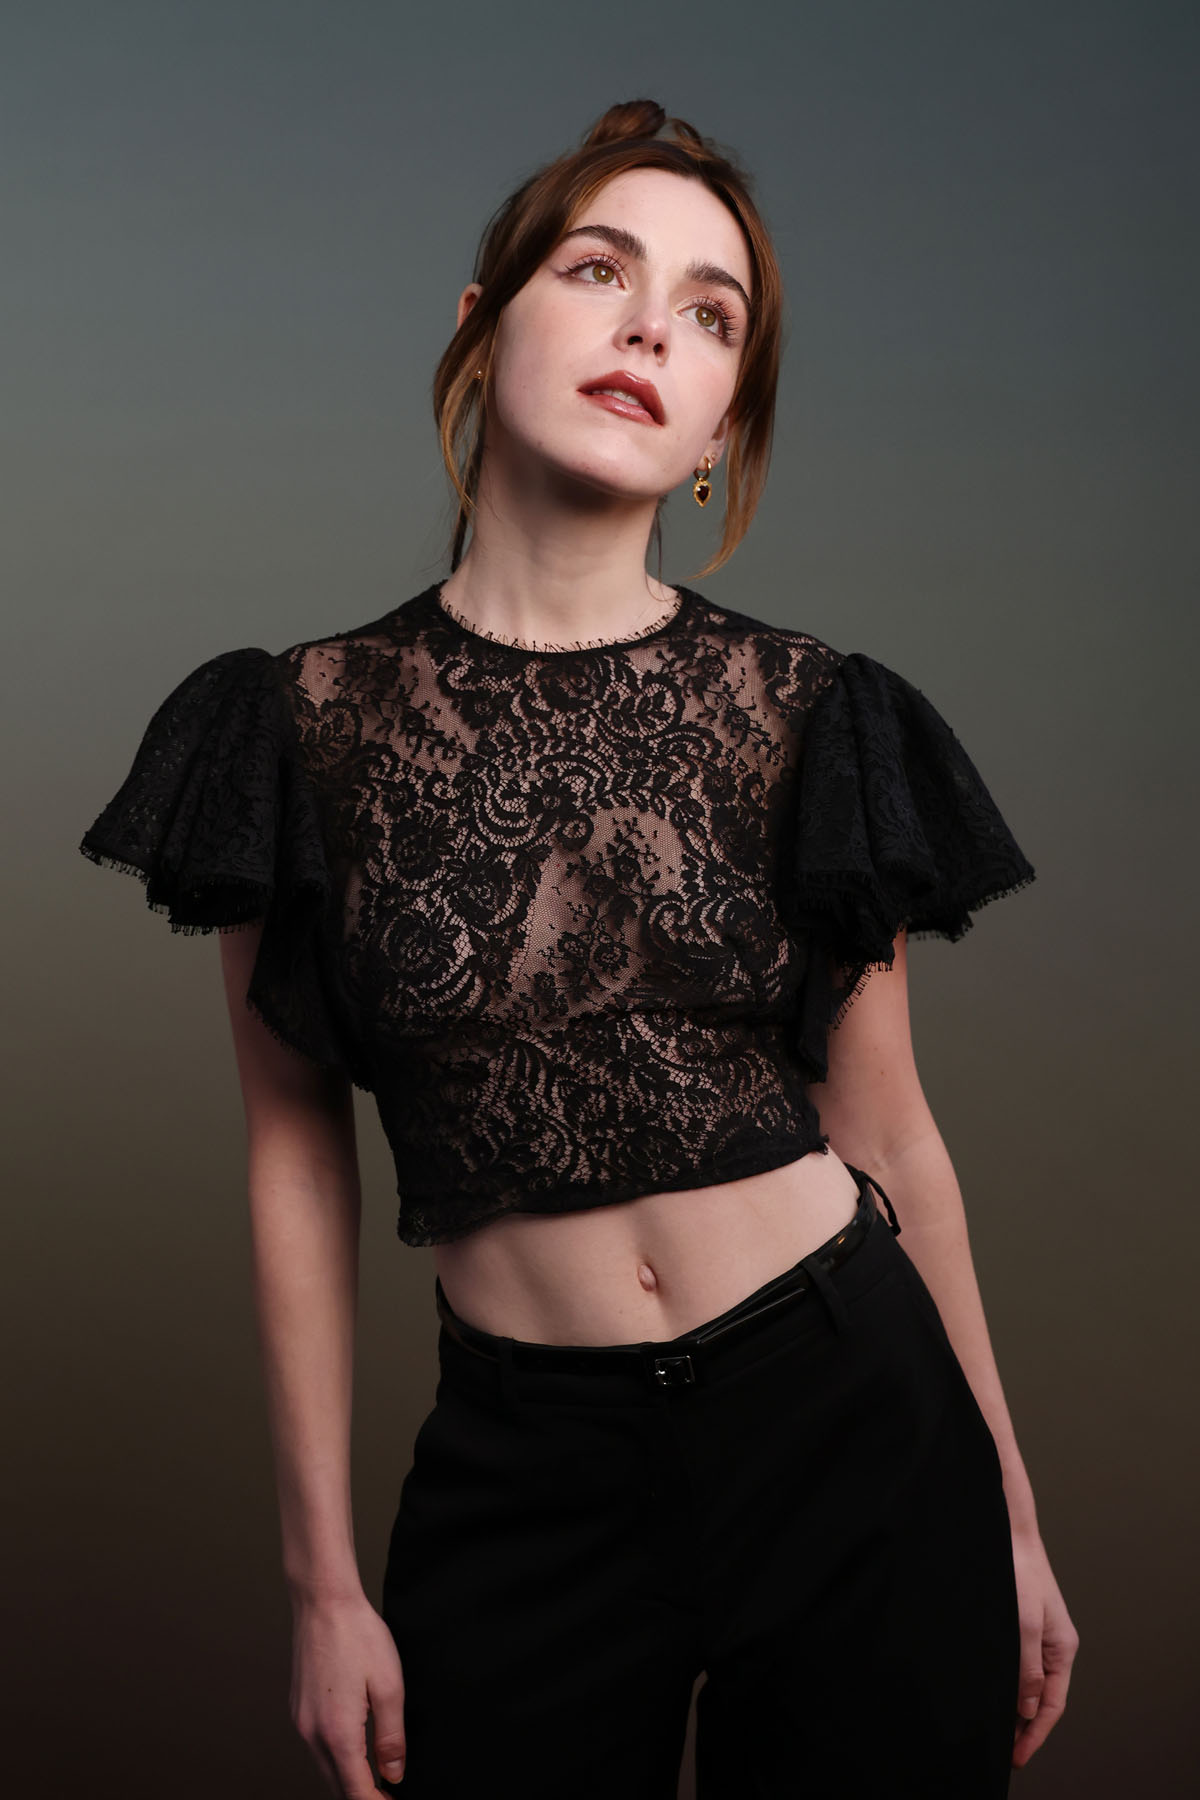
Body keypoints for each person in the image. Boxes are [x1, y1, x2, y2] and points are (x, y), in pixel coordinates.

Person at [78, 98, 1078, 1799]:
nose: (651, 330)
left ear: (718, 427)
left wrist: (1014, 1509)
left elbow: (891, 1135)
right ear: (482, 328)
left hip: (853, 1425)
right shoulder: (293, 730)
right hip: (526, 1473)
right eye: (600, 270)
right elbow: (295, 1159)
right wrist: (322, 1583)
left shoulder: (808, 710)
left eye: (710, 314)